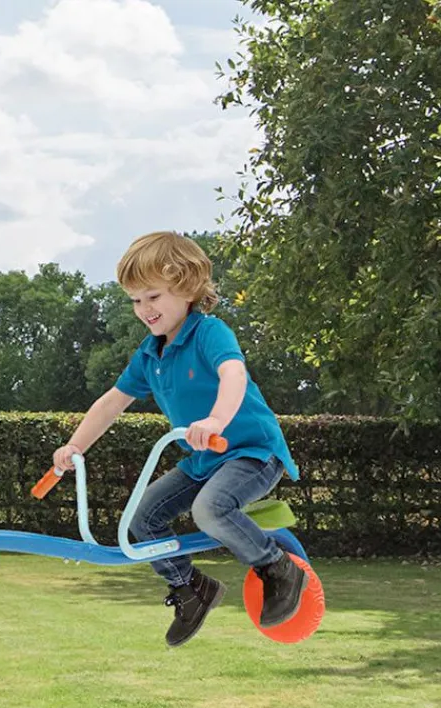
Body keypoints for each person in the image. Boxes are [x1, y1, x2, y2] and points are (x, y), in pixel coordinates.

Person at [52, 232, 306, 647]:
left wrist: (217, 419)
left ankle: (276, 565)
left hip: (251, 452)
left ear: (187, 288)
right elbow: (113, 401)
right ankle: (190, 588)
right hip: (203, 461)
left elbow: (233, 373)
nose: (144, 309)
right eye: (135, 300)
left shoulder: (209, 333)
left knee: (210, 508)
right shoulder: (150, 354)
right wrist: (75, 445)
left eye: (153, 296)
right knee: (142, 519)